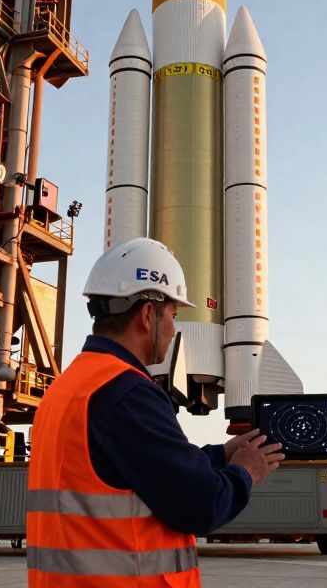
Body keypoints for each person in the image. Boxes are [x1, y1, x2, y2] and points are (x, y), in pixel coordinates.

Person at [26, 237, 284, 587]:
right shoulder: (127, 392)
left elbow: (137, 469)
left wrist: (222, 455)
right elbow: (201, 505)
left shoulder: (69, 386)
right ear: (148, 315)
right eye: (174, 316)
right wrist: (246, 472)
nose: (175, 329)